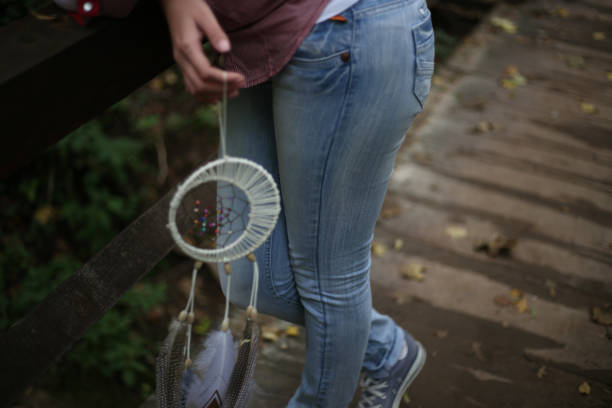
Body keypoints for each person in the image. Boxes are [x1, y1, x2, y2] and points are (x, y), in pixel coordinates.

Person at [58, 0, 435, 406]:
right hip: (256, 43)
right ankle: (385, 349)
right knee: (248, 275)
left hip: (345, 33)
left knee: (329, 279)